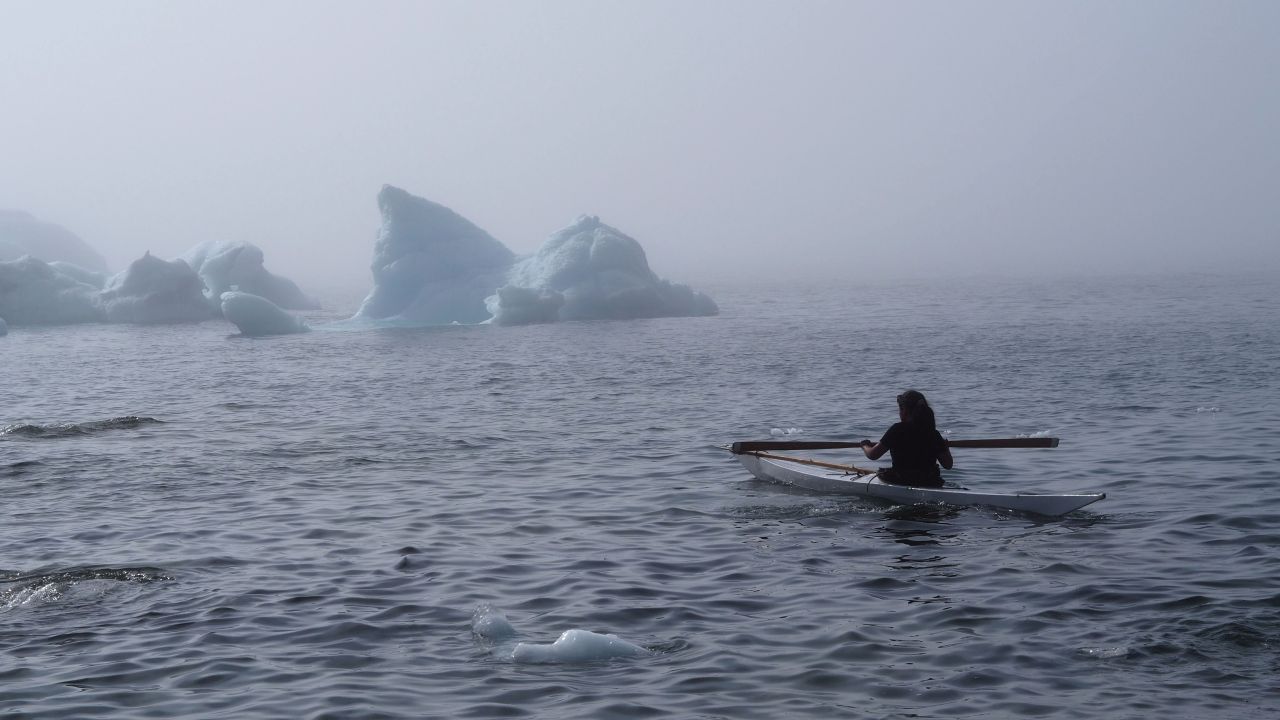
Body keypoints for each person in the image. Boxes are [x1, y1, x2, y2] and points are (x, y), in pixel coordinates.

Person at [859, 390, 953, 488]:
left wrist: (864, 445)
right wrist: (946, 448)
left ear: (904, 410)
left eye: (899, 410)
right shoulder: (933, 433)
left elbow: (873, 454)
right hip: (930, 481)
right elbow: (948, 465)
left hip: (901, 480)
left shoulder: (897, 429)